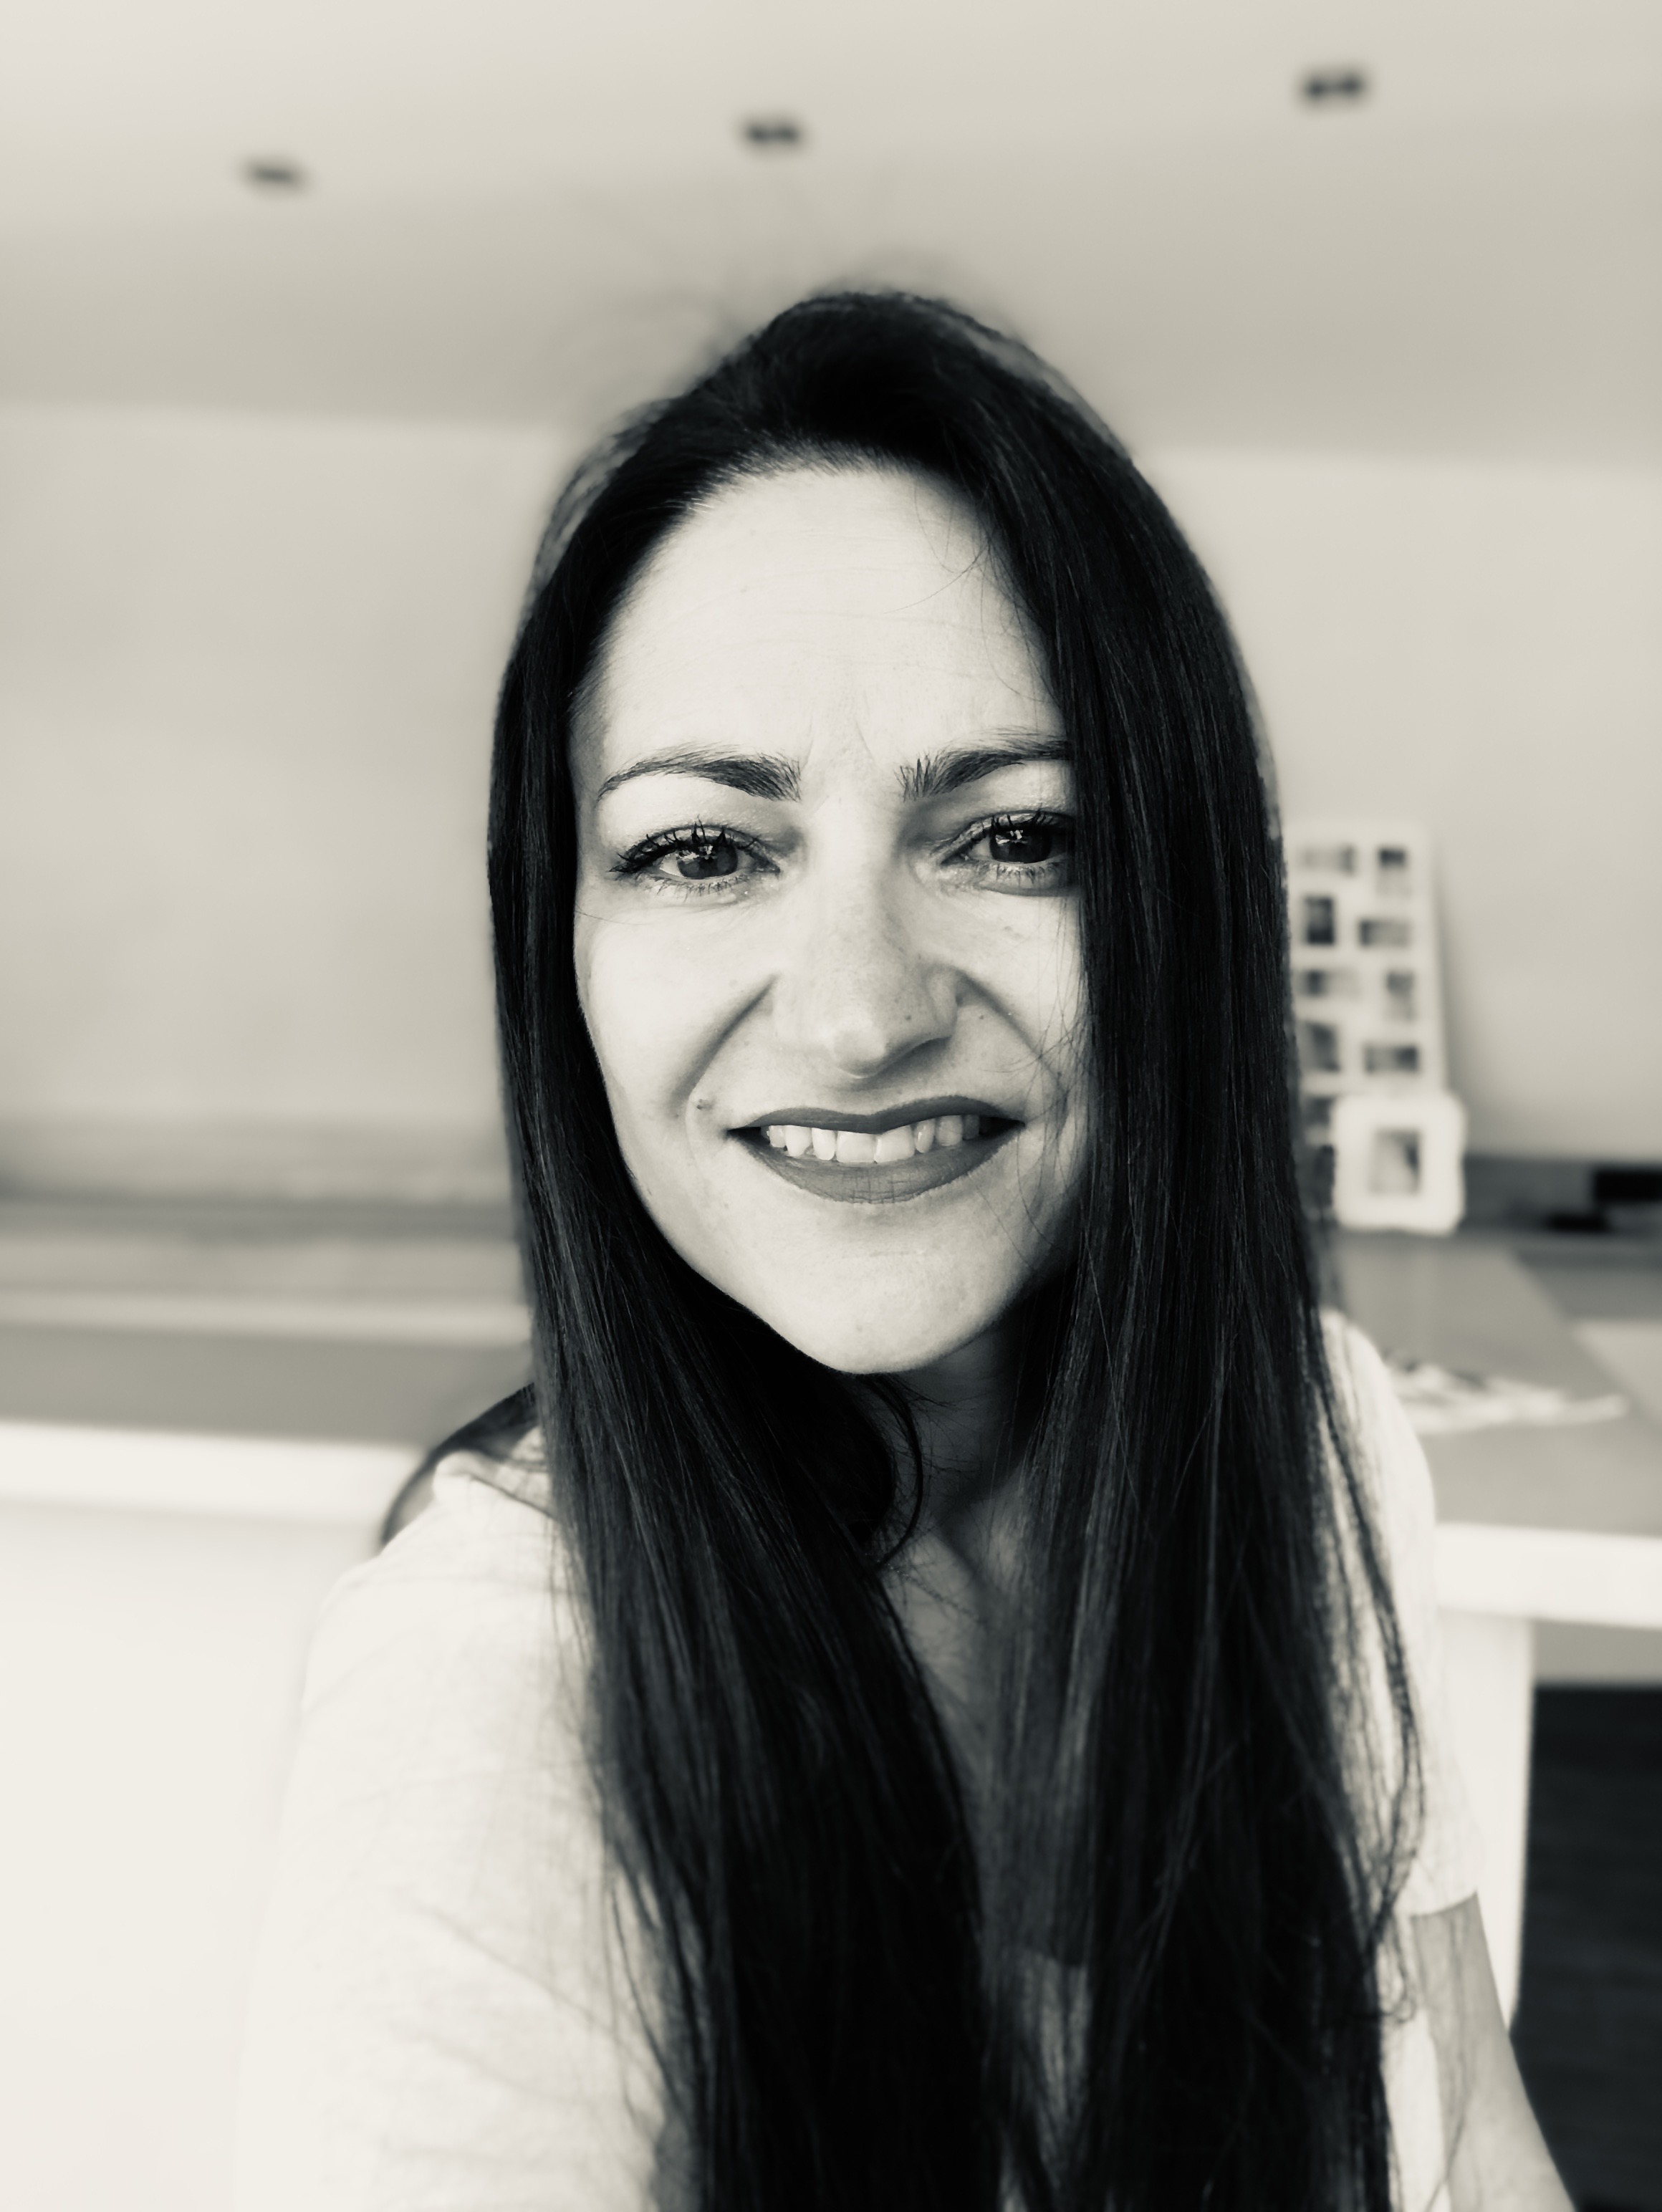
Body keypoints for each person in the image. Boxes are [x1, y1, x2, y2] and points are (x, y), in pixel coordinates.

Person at [233, 292, 1570, 2212]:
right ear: (565, 954)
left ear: (1180, 909)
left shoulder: (1313, 1436)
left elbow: (1473, 2143)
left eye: (1015, 839)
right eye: (705, 850)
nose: (861, 1015)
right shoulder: (488, 1700)